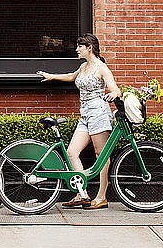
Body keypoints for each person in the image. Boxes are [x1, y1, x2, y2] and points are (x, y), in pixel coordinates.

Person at [37, 33, 121, 210]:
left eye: (79, 47)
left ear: (89, 48)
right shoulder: (83, 67)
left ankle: (101, 196)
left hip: (98, 111)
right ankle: (81, 194)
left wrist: (114, 94)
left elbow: (114, 87)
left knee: (101, 155)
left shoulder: (101, 68)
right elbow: (71, 76)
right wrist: (52, 76)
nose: (76, 50)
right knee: (72, 152)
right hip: (85, 113)